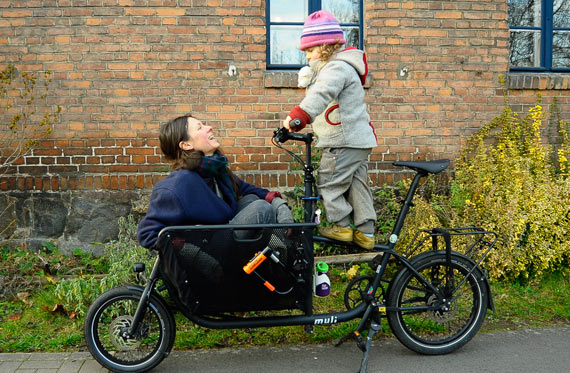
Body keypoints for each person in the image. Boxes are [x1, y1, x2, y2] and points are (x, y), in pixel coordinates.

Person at [283, 10, 377, 250]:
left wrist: (298, 117)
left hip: (343, 140)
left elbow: (321, 93)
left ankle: (342, 226)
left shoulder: (336, 69)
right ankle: (366, 232)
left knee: (329, 180)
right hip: (357, 140)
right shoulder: (340, 67)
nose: (307, 58)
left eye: (310, 51)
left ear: (324, 47)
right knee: (356, 184)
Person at [137, 114, 292, 252]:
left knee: (251, 199)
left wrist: (279, 204)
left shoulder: (217, 171)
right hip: (211, 257)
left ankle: (277, 254)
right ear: (186, 145)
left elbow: (248, 189)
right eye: (200, 128)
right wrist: (194, 254)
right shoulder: (178, 185)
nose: (209, 127)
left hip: (224, 238)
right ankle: (279, 258)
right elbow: (147, 233)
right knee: (261, 209)